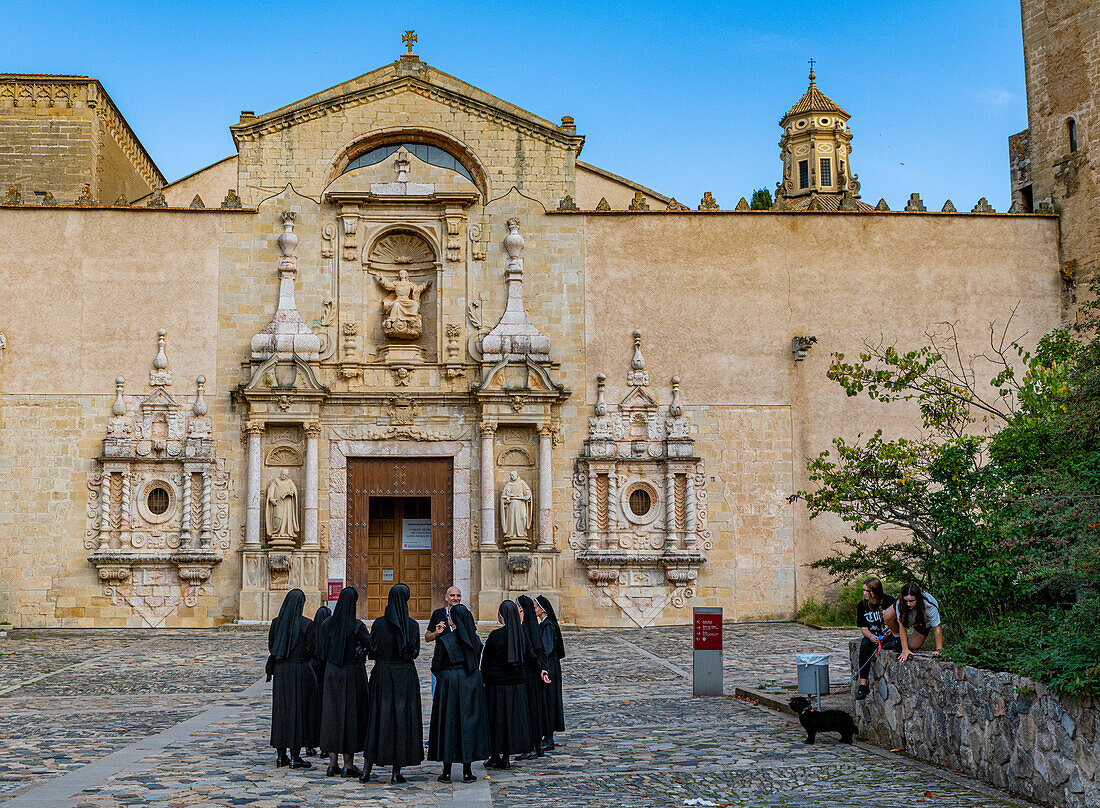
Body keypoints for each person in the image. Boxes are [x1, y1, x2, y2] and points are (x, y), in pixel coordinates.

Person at [363, 583, 423, 784]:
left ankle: (367, 768)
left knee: (377, 717)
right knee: (401, 718)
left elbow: (373, 650)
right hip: (405, 675)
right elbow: (415, 651)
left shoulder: (379, 624)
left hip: (383, 674)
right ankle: (396, 772)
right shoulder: (412, 625)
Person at [428, 603, 491, 783]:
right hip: (470, 682)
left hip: (449, 682)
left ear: (453, 620)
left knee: (448, 724)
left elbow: (436, 665)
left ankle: (447, 771)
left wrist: (446, 676)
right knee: (468, 724)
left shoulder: (445, 640)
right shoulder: (475, 640)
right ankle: (467, 771)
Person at [319, 587, 370, 778]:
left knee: (332, 715)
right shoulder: (357, 626)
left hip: (332, 673)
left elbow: (321, 649)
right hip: (352, 674)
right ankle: (348, 764)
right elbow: (371, 645)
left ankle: (332, 764)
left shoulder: (326, 624)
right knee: (350, 716)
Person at [267, 588, 317, 769]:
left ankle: (281, 756)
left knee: (281, 711)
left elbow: (272, 646)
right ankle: (295, 756)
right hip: (300, 671)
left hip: (280, 672)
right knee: (298, 711)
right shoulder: (306, 624)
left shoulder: (276, 623)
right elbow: (312, 649)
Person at [481, 600, 534, 770]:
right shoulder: (521, 634)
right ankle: (505, 756)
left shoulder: (496, 636)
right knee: (511, 720)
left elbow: (486, 660)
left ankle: (495, 754)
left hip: (496, 685)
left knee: (496, 720)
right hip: (516, 684)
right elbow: (530, 656)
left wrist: (483, 677)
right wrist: (541, 669)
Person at [516, 595, 552, 759]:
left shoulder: (524, 628)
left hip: (529, 673)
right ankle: (538, 746)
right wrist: (543, 669)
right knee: (536, 709)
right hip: (537, 673)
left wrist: (538, 668)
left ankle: (530, 746)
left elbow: (530, 652)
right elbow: (541, 651)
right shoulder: (535, 626)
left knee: (529, 710)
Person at [854, 578, 899, 700]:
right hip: (873, 636)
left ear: (876, 591)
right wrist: (870, 636)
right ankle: (863, 685)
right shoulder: (861, 605)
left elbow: (899, 620)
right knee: (865, 645)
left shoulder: (889, 601)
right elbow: (863, 628)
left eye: (868, 591)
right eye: (864, 590)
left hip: (887, 636)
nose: (865, 593)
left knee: (893, 646)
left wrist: (892, 629)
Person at [884, 582, 945, 663]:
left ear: (918, 598)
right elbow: (902, 626)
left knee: (914, 646)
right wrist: (905, 649)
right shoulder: (900, 603)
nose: (908, 604)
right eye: (906, 601)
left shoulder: (930, 604)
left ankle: (901, 642)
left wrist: (939, 650)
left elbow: (936, 628)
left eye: (911, 601)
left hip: (923, 622)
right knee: (887, 615)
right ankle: (897, 640)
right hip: (908, 617)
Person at [535, 595, 566, 749]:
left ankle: (548, 738)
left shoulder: (547, 625)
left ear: (542, 608)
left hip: (550, 667)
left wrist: (542, 667)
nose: (534, 610)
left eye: (535, 607)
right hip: (551, 665)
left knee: (549, 700)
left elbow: (546, 649)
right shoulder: (545, 623)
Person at [305, 604, 331, 756]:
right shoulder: (331, 634)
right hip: (326, 681)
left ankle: (309, 744)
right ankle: (325, 747)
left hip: (312, 679)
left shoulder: (311, 632)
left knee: (311, 714)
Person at [425, 586, 462, 694]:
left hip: (458, 666)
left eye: (458, 595)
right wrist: (437, 633)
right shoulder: (438, 614)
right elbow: (427, 637)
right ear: (446, 597)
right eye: (452, 595)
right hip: (440, 663)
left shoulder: (465, 614)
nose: (455, 598)